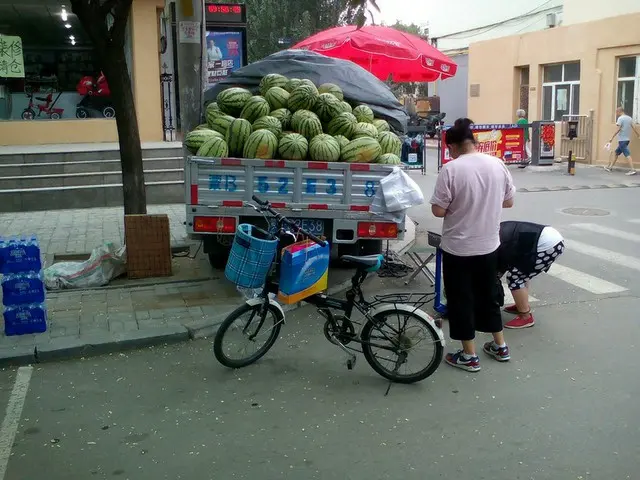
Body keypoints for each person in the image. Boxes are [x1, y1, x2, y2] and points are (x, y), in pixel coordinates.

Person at [430, 118, 516, 373]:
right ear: (474, 142)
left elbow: (437, 210)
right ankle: (500, 346)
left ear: (454, 146)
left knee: (461, 299)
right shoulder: (497, 164)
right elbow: (509, 202)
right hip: (490, 245)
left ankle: (469, 356)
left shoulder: (451, 169)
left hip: (459, 248)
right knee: (489, 296)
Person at [497, 221, 564, 329]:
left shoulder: (492, 240)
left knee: (515, 277)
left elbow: (498, 267)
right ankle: (521, 304)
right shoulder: (495, 230)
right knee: (522, 272)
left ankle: (525, 317)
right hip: (549, 238)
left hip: (546, 244)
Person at [604, 106, 639, 175]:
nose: (616, 113)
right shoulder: (629, 118)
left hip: (622, 140)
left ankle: (633, 170)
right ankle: (610, 167)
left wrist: (611, 138)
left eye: (616, 112)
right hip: (627, 140)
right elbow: (634, 127)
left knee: (627, 154)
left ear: (619, 111)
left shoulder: (620, 119)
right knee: (616, 153)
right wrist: (638, 135)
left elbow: (618, 129)